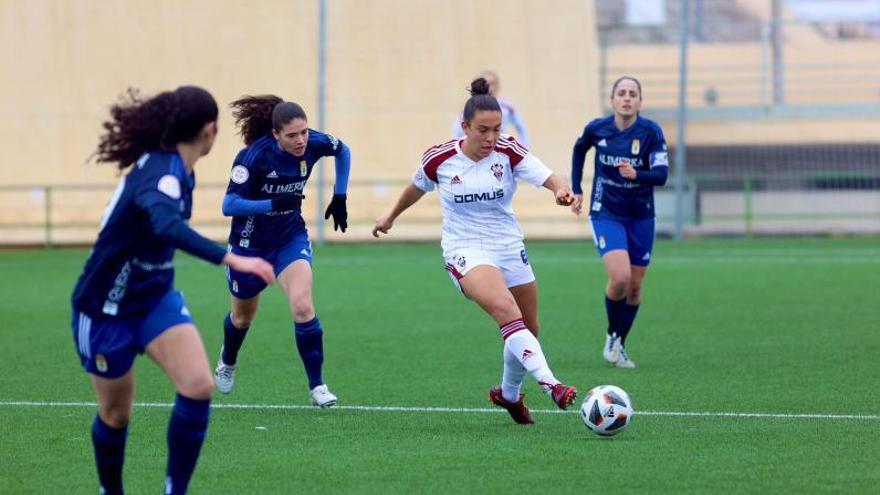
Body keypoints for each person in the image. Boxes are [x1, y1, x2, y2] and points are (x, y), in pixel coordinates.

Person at [71, 86, 275, 495]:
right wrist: (232, 258)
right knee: (115, 415)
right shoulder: (162, 172)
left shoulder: (184, 167)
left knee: (199, 385)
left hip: (154, 298)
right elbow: (165, 224)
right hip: (105, 306)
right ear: (210, 129)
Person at [373, 77, 577, 425]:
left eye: (496, 129)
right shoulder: (440, 159)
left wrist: (560, 191)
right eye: (483, 130)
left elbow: (549, 177)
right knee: (505, 309)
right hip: (464, 249)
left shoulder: (509, 151)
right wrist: (390, 215)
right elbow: (416, 188)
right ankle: (551, 384)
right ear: (465, 127)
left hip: (508, 245)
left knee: (529, 326)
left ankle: (508, 395)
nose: (490, 137)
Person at [213, 95, 351, 408]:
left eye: (304, 132)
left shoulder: (314, 142)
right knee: (242, 318)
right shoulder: (252, 157)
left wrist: (339, 195)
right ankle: (228, 359)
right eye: (292, 135)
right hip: (249, 246)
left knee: (302, 306)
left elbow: (343, 150)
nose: (301, 140)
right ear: (276, 135)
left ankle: (318, 386)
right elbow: (229, 205)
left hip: (289, 238)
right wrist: (272, 204)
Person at [570, 76, 669, 369]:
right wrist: (577, 188)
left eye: (633, 94)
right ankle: (613, 335)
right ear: (613, 99)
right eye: (622, 93)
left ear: (640, 101)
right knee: (620, 278)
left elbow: (662, 175)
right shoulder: (597, 129)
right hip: (606, 212)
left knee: (636, 288)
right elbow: (579, 150)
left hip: (640, 215)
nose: (627, 98)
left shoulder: (650, 132)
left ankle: (619, 341)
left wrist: (637, 175)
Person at [452, 70, 530, 148]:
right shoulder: (468, 107)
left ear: (498, 86)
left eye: (492, 84)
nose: (489, 87)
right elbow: (458, 130)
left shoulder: (507, 107)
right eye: (486, 83)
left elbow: (521, 127)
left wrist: (524, 148)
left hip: (500, 149)